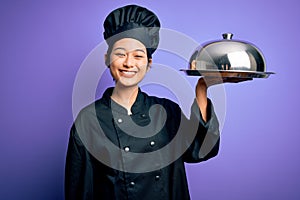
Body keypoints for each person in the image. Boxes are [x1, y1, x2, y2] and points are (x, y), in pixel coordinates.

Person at [65, 4, 241, 200]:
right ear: (107, 59)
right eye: (120, 54)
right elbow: (79, 192)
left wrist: (202, 87)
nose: (129, 63)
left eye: (138, 55)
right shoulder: (88, 121)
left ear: (148, 64)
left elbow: (200, 150)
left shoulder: (166, 111)